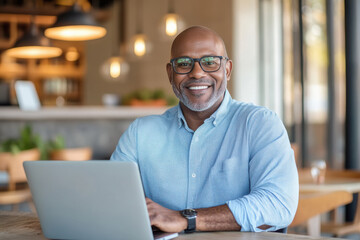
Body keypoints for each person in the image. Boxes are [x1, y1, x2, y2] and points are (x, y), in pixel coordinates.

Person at [111, 26, 299, 233]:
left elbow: (277, 204)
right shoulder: (140, 133)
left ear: (227, 69)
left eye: (210, 62)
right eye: (184, 64)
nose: (197, 73)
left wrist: (186, 219)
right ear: (170, 73)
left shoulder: (259, 123)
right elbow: (111, 200)